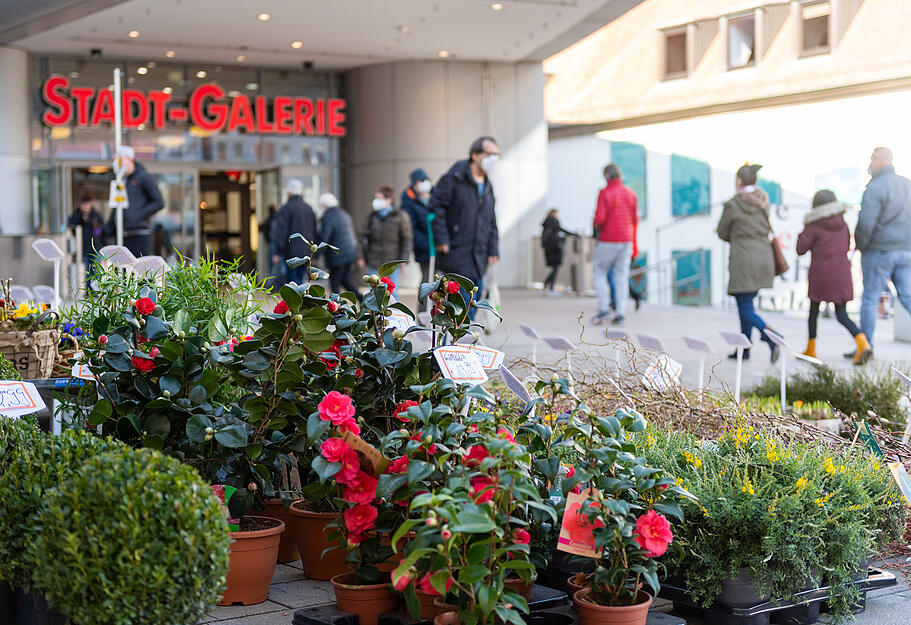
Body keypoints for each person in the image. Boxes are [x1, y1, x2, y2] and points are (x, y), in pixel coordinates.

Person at [795, 190, 871, 364]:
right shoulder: (842, 223)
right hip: (841, 272)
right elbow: (846, 245)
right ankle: (862, 342)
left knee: (813, 312)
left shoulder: (813, 224)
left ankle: (811, 349)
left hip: (821, 274)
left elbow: (800, 249)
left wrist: (804, 229)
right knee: (842, 314)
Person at [429, 137, 500, 319]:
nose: (494, 158)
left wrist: (493, 249)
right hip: (456, 252)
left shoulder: (488, 186)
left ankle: (463, 345)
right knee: (457, 311)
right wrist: (442, 239)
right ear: (475, 155)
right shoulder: (455, 177)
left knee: (471, 307)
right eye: (490, 154)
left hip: (479, 257)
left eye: (497, 155)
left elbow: (491, 220)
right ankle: (451, 346)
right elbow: (436, 206)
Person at [717, 163, 780, 362]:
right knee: (747, 305)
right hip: (763, 259)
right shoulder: (763, 202)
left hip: (744, 259)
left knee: (744, 307)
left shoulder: (734, 204)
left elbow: (722, 232)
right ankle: (744, 349)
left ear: (738, 181)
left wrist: (738, 238)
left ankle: (771, 336)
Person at [854, 147, 911, 354]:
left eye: (871, 160)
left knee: (870, 298)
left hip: (879, 250)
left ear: (878, 160)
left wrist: (860, 245)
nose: (870, 164)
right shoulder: (907, 185)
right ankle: (865, 345)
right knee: (907, 296)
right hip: (906, 250)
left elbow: (866, 222)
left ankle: (865, 347)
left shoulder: (875, 186)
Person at [592, 163, 638, 325]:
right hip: (626, 240)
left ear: (606, 176)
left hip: (608, 239)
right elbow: (634, 221)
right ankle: (620, 312)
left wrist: (594, 223)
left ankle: (604, 309)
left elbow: (600, 218)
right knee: (621, 276)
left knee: (599, 272)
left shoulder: (604, 193)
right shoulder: (631, 194)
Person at [104, 145, 164, 257]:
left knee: (140, 269)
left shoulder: (143, 177)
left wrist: (138, 216)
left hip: (139, 235)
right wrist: (109, 229)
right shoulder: (121, 180)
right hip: (123, 234)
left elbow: (159, 202)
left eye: (120, 160)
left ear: (129, 159)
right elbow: (117, 205)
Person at [357, 186, 412, 296]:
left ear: (389, 200)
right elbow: (361, 236)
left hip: (392, 263)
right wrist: (360, 255)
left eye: (379, 198)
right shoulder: (372, 216)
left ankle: (392, 313)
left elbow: (407, 239)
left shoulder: (400, 216)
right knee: (375, 293)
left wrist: (404, 260)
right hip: (374, 261)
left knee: (392, 293)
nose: (376, 201)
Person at [272, 179, 317, 285]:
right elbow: (315, 232)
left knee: (293, 282)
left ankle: (296, 301)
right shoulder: (309, 209)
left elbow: (281, 232)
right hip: (307, 252)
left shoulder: (286, 209)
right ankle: (301, 300)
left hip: (291, 253)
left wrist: (277, 252)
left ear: (288, 192)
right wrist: (314, 255)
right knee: (301, 280)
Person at [318, 192, 361, 300]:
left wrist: (316, 254)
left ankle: (336, 307)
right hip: (349, 253)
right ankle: (361, 299)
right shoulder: (344, 214)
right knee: (345, 280)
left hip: (337, 255)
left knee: (335, 284)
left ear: (325, 205)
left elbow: (325, 238)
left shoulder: (328, 217)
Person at [401, 168, 434, 289]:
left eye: (426, 180)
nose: (425, 183)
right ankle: (423, 307)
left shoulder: (435, 197)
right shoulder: (408, 202)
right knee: (428, 281)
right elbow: (411, 229)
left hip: (438, 248)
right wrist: (427, 244)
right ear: (414, 184)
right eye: (421, 181)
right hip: (424, 250)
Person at [68, 196, 105, 278]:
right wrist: (81, 219)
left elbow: (101, 232)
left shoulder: (95, 216)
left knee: (97, 272)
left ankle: (96, 290)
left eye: (87, 204)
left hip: (96, 247)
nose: (86, 207)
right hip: (84, 248)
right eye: (84, 205)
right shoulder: (76, 216)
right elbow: (71, 226)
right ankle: (89, 291)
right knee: (87, 273)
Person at [540, 208, 575, 294]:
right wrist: (573, 234)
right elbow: (561, 229)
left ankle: (547, 284)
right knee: (556, 267)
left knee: (554, 268)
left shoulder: (546, 222)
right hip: (555, 247)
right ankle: (550, 286)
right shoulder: (554, 221)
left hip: (548, 248)